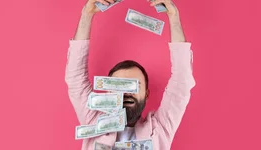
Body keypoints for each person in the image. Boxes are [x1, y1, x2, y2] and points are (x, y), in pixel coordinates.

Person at [65, 0, 195, 149]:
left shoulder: (159, 129)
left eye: (135, 85)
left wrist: (174, 16)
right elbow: (75, 79)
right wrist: (87, 14)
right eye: (118, 85)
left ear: (146, 94)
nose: (126, 92)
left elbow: (181, 83)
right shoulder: (94, 121)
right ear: (107, 93)